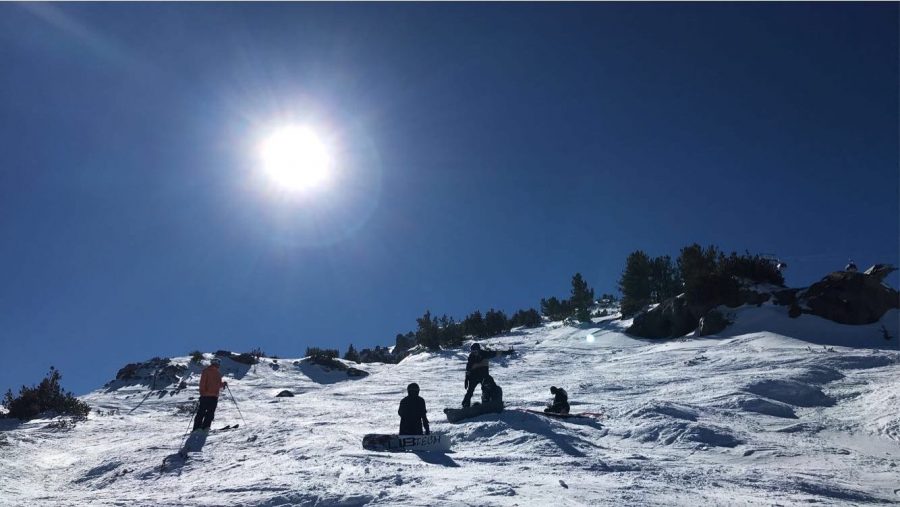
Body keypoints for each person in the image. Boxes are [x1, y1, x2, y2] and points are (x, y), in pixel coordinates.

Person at [193, 358, 227, 432]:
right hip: (208, 395)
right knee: (206, 412)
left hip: (212, 395)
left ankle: (202, 427)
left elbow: (217, 384)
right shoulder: (207, 371)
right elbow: (202, 382)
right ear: (214, 363)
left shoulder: (217, 373)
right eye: (218, 363)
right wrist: (202, 392)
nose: (219, 365)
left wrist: (223, 384)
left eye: (219, 363)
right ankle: (201, 427)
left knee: (207, 412)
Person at [462, 343, 499, 408]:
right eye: (472, 351)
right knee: (470, 390)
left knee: (487, 386)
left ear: (479, 350)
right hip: (473, 376)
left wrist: (506, 352)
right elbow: (468, 368)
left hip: (483, 376)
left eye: (475, 351)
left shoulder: (485, 354)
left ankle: (486, 400)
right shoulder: (471, 357)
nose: (474, 353)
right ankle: (465, 404)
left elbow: (494, 353)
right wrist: (467, 378)